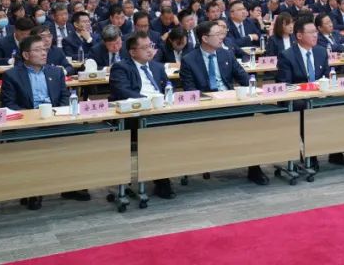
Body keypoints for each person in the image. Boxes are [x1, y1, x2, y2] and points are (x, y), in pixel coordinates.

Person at [0, 34, 91, 208]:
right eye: (38, 50)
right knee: (32, 144)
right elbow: (9, 104)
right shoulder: (12, 75)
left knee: (82, 134)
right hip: (28, 122)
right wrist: (34, 116)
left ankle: (71, 185)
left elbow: (65, 97)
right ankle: (33, 189)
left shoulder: (55, 72)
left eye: (45, 49)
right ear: (26, 55)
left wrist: (57, 114)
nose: (44, 53)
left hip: (55, 119)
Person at [179, 22, 269, 185]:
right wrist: (212, 99)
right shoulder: (189, 60)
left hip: (230, 102)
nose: (222, 37)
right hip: (206, 107)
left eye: (222, 33)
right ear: (205, 38)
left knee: (252, 125)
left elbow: (244, 78)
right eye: (217, 34)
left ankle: (254, 168)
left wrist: (254, 89)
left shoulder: (226, 54)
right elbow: (190, 91)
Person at [275, 16, 344, 167]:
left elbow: (326, 77)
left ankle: (336, 152)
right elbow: (285, 85)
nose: (315, 35)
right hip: (298, 98)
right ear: (299, 35)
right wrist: (306, 89)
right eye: (311, 32)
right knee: (305, 108)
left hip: (319, 95)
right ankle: (311, 155)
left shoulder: (321, 52)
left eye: (316, 32)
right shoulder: (287, 55)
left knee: (340, 104)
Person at [109, 32, 174, 199]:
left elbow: (168, 88)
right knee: (158, 133)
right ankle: (162, 180)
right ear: (132, 52)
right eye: (144, 47)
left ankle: (174, 170)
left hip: (161, 111)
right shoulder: (121, 67)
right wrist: (149, 101)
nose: (150, 50)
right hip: (136, 115)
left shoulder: (157, 67)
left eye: (151, 46)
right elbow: (123, 92)